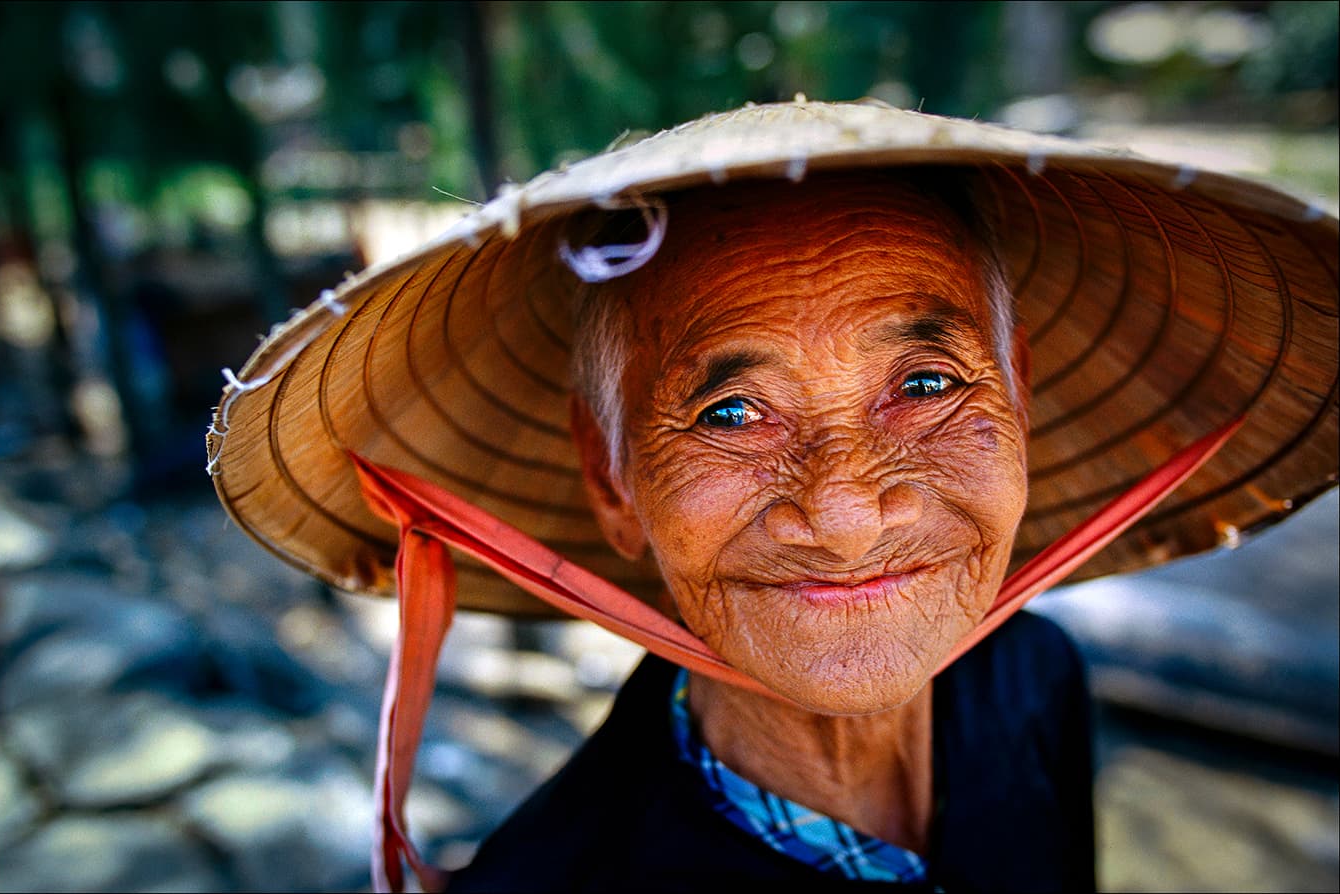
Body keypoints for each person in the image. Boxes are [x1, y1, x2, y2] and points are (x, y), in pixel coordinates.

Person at [205, 100, 1339, 892]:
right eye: (732, 414)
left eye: (928, 384)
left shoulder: (1035, 681)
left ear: (1021, 400)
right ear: (614, 480)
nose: (846, 512)